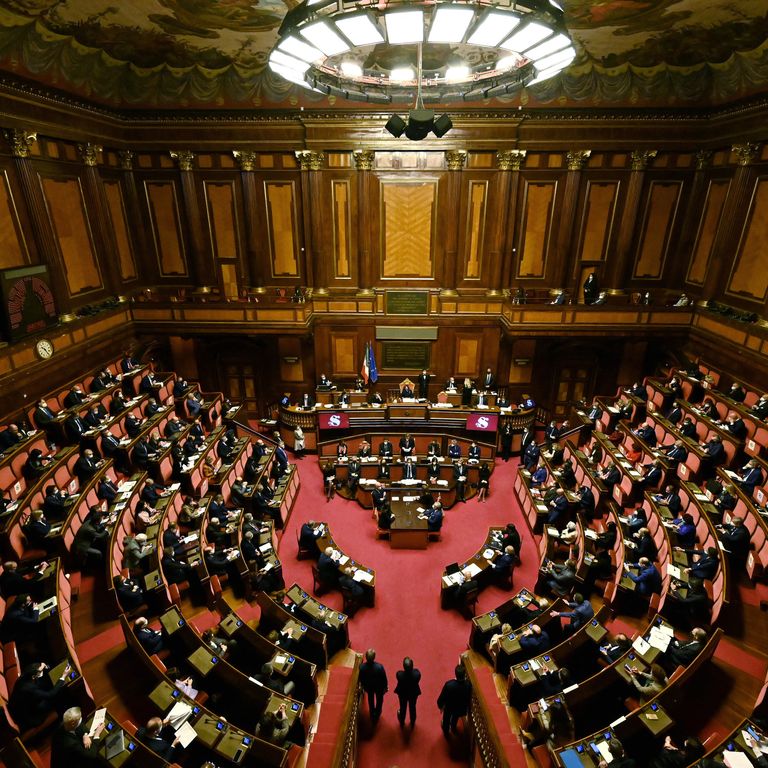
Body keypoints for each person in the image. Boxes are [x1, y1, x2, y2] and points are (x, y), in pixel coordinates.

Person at [9, 660, 71, 730]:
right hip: (29, 717)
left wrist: (42, 666)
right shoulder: (30, 688)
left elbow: (37, 676)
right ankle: (61, 716)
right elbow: (50, 695)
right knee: (55, 698)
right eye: (40, 672)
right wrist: (63, 677)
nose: (41, 672)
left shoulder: (23, 678)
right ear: (33, 676)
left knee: (44, 684)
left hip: (19, 706)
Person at [437, 664, 471, 737]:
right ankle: (453, 727)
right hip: (460, 707)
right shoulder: (468, 685)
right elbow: (468, 698)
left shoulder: (449, 685)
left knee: (446, 718)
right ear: (464, 675)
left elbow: (443, 696)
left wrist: (440, 705)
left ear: (455, 673)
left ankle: (446, 730)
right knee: (455, 717)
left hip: (449, 707)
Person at [359, 648, 388, 723]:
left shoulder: (362, 667)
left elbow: (361, 678)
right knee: (379, 700)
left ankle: (372, 713)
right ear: (374, 657)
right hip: (378, 687)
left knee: (370, 699)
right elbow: (384, 678)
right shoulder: (379, 667)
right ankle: (378, 712)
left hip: (369, 687)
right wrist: (385, 687)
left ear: (366, 657)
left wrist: (364, 686)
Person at [394, 656, 421, 727]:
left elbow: (399, 673)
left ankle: (402, 721)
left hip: (403, 694)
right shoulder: (417, 674)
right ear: (412, 666)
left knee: (403, 707)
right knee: (412, 707)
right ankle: (412, 721)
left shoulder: (399, 675)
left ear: (403, 667)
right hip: (413, 694)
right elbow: (416, 671)